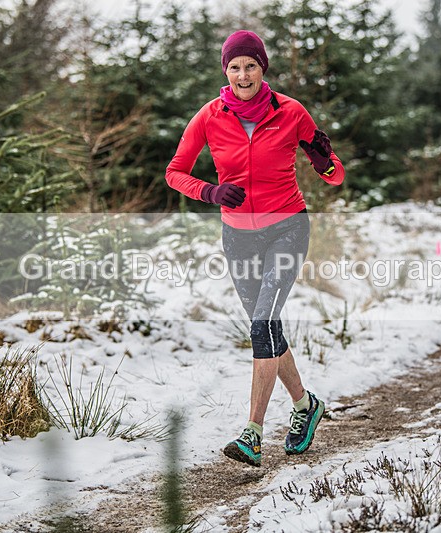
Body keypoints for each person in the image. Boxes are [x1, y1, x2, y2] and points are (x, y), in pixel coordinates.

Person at [166, 30, 345, 467]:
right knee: (266, 328)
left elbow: (336, 175)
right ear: (225, 71)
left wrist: (324, 161)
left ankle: (253, 432)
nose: (243, 75)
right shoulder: (210, 116)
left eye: (250, 66)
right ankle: (306, 405)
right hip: (238, 237)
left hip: (287, 228)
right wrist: (210, 192)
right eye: (235, 67)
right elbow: (174, 172)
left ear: (262, 68)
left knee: (262, 324)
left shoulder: (291, 112)